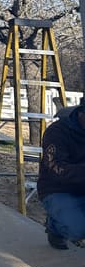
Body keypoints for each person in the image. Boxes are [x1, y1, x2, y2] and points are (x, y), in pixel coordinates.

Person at [37, 98, 85, 249]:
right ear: (82, 114)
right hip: (57, 189)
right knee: (78, 229)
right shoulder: (57, 132)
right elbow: (56, 169)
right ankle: (55, 226)